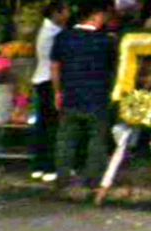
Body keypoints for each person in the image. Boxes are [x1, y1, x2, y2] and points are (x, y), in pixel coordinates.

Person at [51, 0, 117, 188]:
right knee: (96, 139)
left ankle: (62, 176)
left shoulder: (63, 37)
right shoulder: (105, 41)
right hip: (97, 95)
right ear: (97, 16)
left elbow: (55, 67)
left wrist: (57, 92)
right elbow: (113, 69)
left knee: (66, 138)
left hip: (70, 94)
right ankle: (93, 178)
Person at [31, 0, 71, 182]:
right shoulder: (53, 33)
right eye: (65, 11)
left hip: (42, 79)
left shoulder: (46, 29)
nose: (68, 14)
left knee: (43, 124)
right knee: (52, 125)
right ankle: (49, 166)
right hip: (49, 81)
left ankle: (39, 166)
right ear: (56, 13)